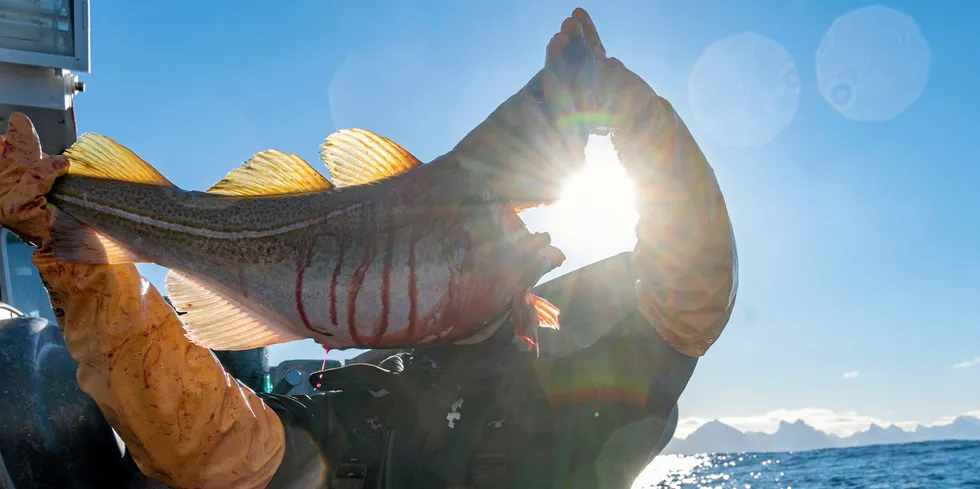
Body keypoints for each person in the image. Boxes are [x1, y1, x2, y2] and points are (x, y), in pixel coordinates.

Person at [0, 8, 736, 489]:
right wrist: (81, 266)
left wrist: (632, 112)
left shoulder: (582, 397)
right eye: (492, 227)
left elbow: (693, 286)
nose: (531, 242)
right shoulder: (357, 405)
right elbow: (212, 446)